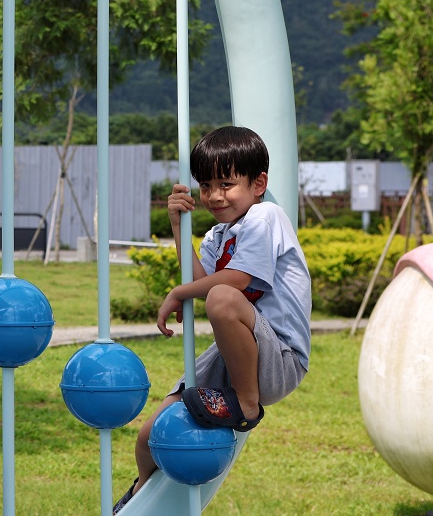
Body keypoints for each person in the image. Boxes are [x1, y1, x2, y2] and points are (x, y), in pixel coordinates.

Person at [113, 126, 311, 514]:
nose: (214, 195)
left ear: (258, 184)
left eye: (226, 184)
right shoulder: (217, 236)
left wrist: (178, 293)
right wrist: (177, 225)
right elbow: (199, 282)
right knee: (151, 435)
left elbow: (233, 283)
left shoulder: (265, 217)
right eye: (205, 185)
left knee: (222, 296)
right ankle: (137, 496)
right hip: (232, 357)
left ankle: (247, 406)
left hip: (280, 359)